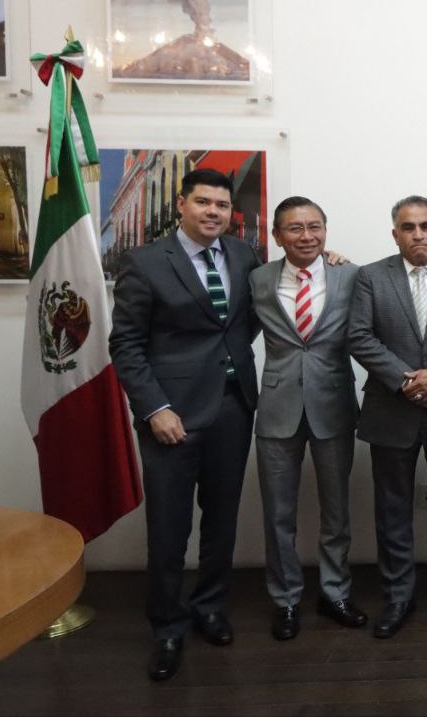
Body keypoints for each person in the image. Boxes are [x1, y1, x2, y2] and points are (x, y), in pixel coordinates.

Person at [109, 168, 261, 681]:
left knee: (222, 522)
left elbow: (258, 315)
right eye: (203, 202)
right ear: (181, 204)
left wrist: (331, 261)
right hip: (170, 417)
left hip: (233, 408)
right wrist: (155, 408)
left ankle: (209, 608)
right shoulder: (146, 263)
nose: (214, 212)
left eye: (222, 204)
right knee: (170, 529)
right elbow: (125, 345)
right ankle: (168, 625)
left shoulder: (243, 256)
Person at [347, 196, 427, 638]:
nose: (418, 234)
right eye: (408, 227)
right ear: (395, 234)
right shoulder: (370, 277)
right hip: (391, 408)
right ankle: (398, 598)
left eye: (426, 226)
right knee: (392, 511)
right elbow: (359, 336)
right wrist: (407, 380)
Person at [250, 196, 367, 641]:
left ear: (326, 231)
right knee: (278, 514)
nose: (307, 236)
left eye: (315, 227)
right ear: (278, 235)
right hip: (277, 409)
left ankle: (335, 592)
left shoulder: (350, 275)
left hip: (333, 405)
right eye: (295, 228)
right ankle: (285, 600)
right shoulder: (257, 278)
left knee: (336, 511)